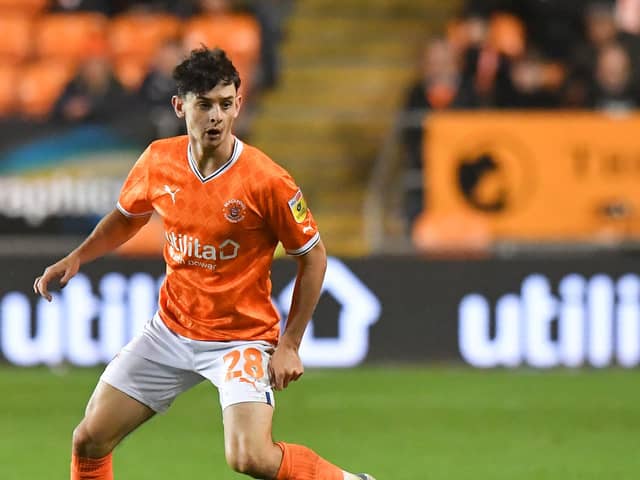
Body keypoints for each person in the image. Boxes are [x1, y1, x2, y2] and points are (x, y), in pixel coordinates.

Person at [33, 47, 376, 480]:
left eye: (226, 104)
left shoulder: (267, 180)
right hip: (170, 331)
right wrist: (78, 256)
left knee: (249, 458)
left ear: (238, 105)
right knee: (88, 440)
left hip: (240, 339)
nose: (216, 116)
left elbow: (313, 255)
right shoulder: (159, 160)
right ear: (181, 106)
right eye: (205, 104)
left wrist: (289, 343)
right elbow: (126, 217)